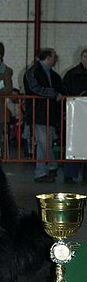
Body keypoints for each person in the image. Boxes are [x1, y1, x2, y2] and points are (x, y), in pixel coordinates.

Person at [23, 48, 65, 183]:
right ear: (48, 58)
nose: (55, 60)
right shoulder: (33, 73)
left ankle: (49, 167)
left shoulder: (47, 74)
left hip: (47, 113)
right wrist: (54, 94)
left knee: (45, 143)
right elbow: (35, 89)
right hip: (39, 113)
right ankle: (43, 170)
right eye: (54, 57)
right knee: (44, 143)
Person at [63, 47, 87, 183]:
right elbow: (65, 91)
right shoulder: (71, 74)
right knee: (72, 144)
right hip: (75, 115)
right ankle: (69, 174)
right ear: (81, 58)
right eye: (85, 56)